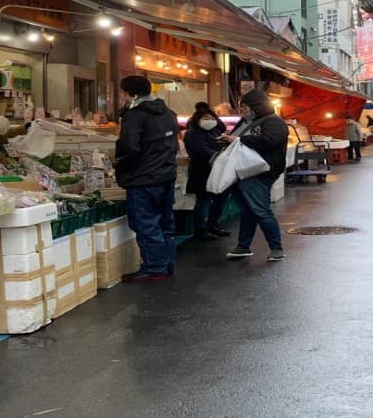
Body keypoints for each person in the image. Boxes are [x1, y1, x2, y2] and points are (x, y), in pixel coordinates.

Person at [114, 75, 180, 282]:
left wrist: (118, 166)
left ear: (129, 93)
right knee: (165, 223)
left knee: (146, 224)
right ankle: (167, 264)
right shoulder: (168, 113)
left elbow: (129, 148)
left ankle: (155, 267)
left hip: (143, 178)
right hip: (166, 175)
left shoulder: (135, 116)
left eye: (122, 91)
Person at [224, 89, 288, 262]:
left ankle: (276, 248)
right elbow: (235, 137)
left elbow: (269, 141)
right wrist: (227, 138)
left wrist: (239, 140)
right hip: (241, 171)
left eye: (246, 106)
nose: (243, 110)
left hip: (259, 171)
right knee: (247, 210)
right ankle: (243, 246)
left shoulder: (274, 122)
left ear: (256, 106)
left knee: (261, 210)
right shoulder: (245, 121)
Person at [183, 102, 231, 241]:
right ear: (197, 119)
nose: (209, 121)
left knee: (221, 198)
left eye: (211, 118)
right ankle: (200, 229)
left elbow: (222, 129)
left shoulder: (215, 131)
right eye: (205, 118)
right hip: (201, 172)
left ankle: (213, 224)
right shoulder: (192, 134)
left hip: (219, 170)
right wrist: (219, 157)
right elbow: (202, 151)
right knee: (204, 200)